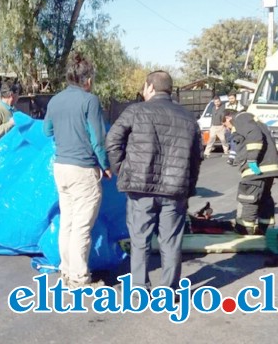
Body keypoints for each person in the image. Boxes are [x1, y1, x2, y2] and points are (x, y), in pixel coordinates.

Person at [106, 70, 202, 290]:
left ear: (150, 87)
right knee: (171, 242)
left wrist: (122, 170)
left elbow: (112, 140)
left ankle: (140, 289)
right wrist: (189, 186)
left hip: (141, 189)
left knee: (140, 241)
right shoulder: (188, 118)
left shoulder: (136, 111)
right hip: (175, 190)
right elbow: (197, 157)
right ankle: (169, 290)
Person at [43, 52, 112, 289]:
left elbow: (46, 131)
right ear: (88, 79)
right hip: (83, 169)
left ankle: (66, 269)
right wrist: (106, 165)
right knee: (82, 227)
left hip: (61, 167)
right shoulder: (89, 101)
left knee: (68, 223)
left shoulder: (55, 101)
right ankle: (80, 279)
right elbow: (98, 140)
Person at [223, 110, 278, 235]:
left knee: (248, 198)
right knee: (264, 198)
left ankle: (244, 231)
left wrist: (252, 159)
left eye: (225, 124)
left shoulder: (241, 118)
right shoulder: (255, 121)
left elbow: (254, 135)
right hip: (268, 167)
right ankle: (266, 229)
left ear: (228, 118)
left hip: (257, 166)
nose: (226, 127)